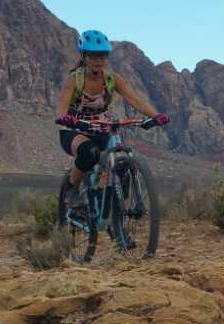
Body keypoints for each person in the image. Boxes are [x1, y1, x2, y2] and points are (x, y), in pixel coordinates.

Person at [55, 30, 169, 207]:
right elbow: (62, 109)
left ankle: (105, 201)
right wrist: (65, 119)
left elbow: (135, 100)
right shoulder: (74, 80)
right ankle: (72, 190)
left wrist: (155, 116)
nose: (98, 61)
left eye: (102, 57)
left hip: (99, 127)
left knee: (113, 158)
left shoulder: (112, 79)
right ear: (84, 57)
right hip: (74, 129)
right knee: (89, 153)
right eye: (93, 57)